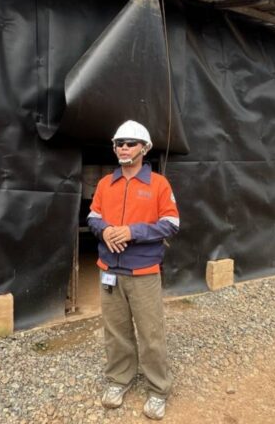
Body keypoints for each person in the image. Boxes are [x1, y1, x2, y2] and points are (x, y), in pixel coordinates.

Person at [87, 120, 180, 421]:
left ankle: (158, 388)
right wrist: (106, 231)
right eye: (119, 143)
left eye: (130, 143)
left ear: (145, 148)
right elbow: (93, 216)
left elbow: (172, 223)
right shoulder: (105, 183)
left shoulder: (159, 184)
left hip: (143, 272)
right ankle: (119, 379)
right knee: (116, 331)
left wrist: (131, 232)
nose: (124, 148)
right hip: (109, 270)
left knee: (151, 333)